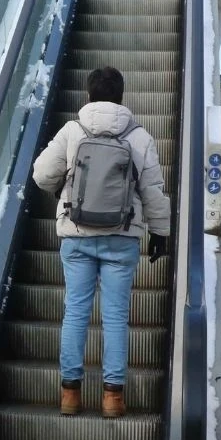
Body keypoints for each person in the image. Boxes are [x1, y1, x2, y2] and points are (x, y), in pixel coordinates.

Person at [32, 66, 170, 419]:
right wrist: (160, 232)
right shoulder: (139, 136)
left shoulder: (72, 130)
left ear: (88, 95)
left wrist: (63, 191)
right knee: (115, 317)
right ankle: (112, 398)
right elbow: (153, 191)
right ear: (121, 97)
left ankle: (70, 396)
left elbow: (42, 174)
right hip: (121, 238)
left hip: (76, 236)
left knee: (75, 313)